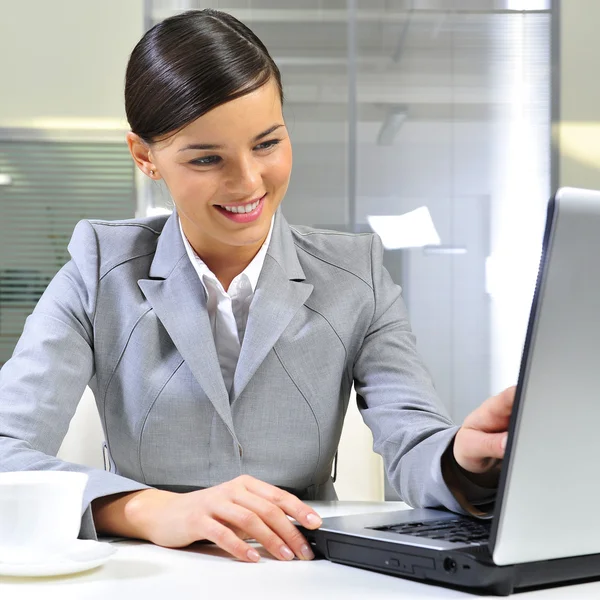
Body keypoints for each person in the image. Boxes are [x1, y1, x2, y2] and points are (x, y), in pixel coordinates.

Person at [0, 9, 514, 565]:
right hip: (145, 569)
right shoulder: (100, 266)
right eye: (206, 158)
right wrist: (149, 509)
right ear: (145, 157)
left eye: (267, 143)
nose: (248, 182)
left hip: (303, 567)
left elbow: (416, 442)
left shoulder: (355, 273)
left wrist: (463, 457)